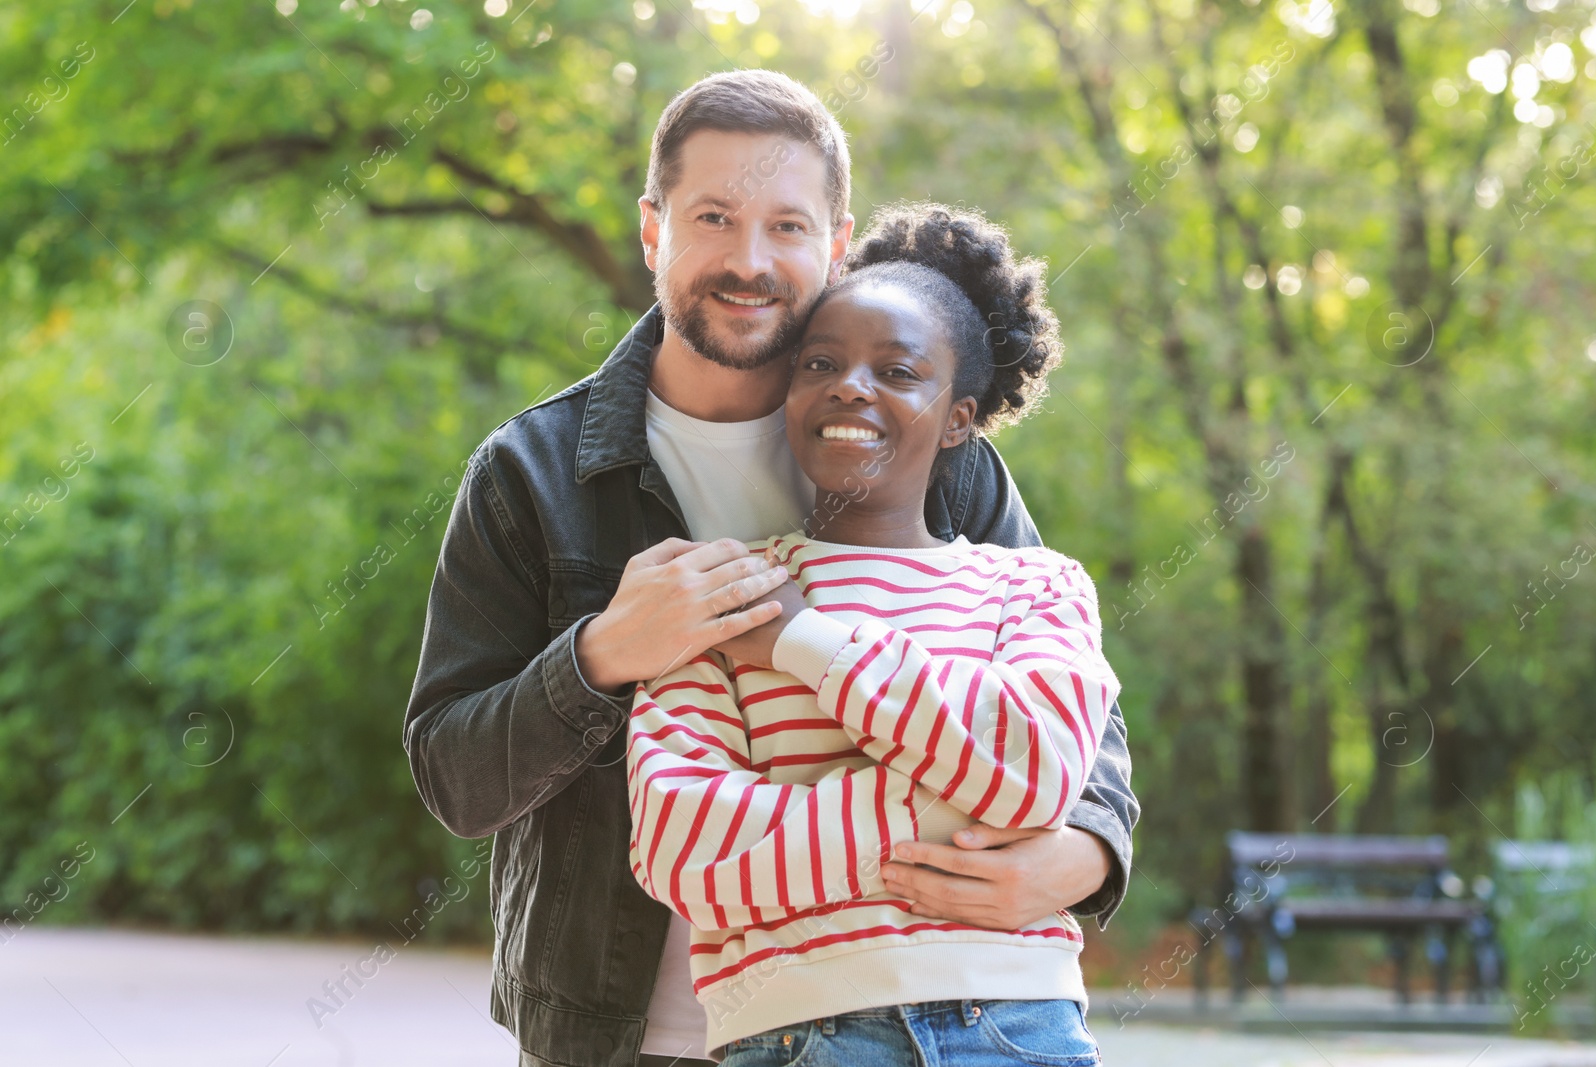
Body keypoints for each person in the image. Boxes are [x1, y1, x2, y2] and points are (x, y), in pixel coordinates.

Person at [403, 69, 1138, 1067]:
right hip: (615, 1034)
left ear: (834, 242)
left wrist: (1080, 853)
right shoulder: (530, 472)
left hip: (948, 1010)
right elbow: (452, 770)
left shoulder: (929, 449)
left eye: (787, 226)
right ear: (652, 227)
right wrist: (602, 653)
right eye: (713, 216)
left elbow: (1072, 707)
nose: (749, 260)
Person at [628, 203, 1117, 1064]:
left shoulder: (1038, 585)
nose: (853, 385)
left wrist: (803, 640)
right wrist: (957, 796)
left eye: (899, 370)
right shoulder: (722, 590)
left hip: (1019, 1025)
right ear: (790, 392)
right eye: (822, 362)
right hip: (795, 1035)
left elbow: (1036, 764)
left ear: (959, 417)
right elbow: (685, 849)